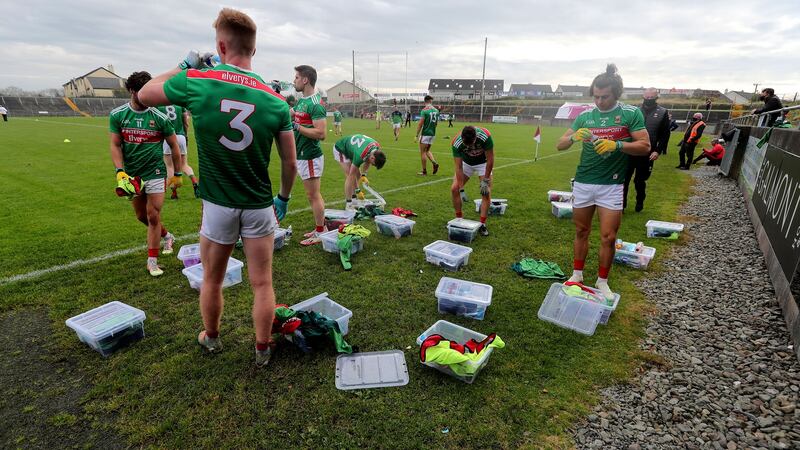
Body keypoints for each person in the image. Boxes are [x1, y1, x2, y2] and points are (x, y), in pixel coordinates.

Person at [138, 8, 298, 367]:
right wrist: (284, 198)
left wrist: (184, 64)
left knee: (212, 279)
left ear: (220, 46)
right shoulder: (275, 100)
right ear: (253, 51)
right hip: (259, 205)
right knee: (262, 283)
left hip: (218, 205)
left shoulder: (197, 79)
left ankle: (211, 338)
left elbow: (145, 93)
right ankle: (261, 348)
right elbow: (289, 162)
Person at [555, 64, 650, 300]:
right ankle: (577, 274)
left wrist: (617, 144)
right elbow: (560, 144)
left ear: (616, 94)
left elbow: (645, 147)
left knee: (608, 236)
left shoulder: (630, 114)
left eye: (604, 97)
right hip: (584, 182)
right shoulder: (586, 116)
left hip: (612, 185)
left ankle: (602, 281)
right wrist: (574, 136)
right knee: (581, 230)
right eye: (596, 96)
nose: (599, 101)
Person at [109, 71, 181, 277]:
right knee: (141, 216)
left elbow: (174, 145)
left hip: (156, 172)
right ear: (132, 91)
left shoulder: (160, 117)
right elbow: (115, 145)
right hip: (133, 176)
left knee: (153, 215)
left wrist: (176, 174)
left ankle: (152, 261)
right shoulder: (118, 115)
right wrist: (120, 172)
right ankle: (167, 236)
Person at [291, 65, 328, 246]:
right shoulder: (301, 101)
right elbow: (290, 113)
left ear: (305, 80)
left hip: (310, 156)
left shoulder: (315, 103)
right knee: (311, 195)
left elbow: (321, 133)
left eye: (297, 77)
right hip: (301, 154)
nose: (294, 80)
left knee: (314, 195)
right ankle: (319, 228)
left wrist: (298, 128)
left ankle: (321, 231)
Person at [626, 88, 670, 212]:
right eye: (647, 97)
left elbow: (665, 134)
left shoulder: (662, 112)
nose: (649, 100)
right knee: (624, 179)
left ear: (656, 98)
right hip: (630, 151)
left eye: (651, 98)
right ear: (643, 96)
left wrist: (657, 150)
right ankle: (621, 205)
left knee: (639, 180)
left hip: (647, 153)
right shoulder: (634, 111)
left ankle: (640, 202)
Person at [450, 125, 494, 236]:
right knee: (454, 189)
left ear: (475, 138)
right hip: (466, 164)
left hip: (483, 163)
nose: (469, 146)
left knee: (486, 192)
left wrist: (486, 180)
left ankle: (482, 224)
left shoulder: (485, 136)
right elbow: (458, 167)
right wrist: (461, 189)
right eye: (466, 145)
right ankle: (459, 219)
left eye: (472, 144)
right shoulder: (457, 142)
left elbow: (490, 159)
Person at [332, 134, 387, 206]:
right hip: (341, 149)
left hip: (353, 149)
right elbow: (352, 175)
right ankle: (348, 203)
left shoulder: (376, 148)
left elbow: (368, 161)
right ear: (373, 158)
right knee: (350, 175)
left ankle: (354, 199)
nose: (372, 165)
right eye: (373, 164)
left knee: (358, 175)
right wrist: (358, 191)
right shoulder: (360, 155)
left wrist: (364, 175)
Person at [159, 104, 199, 198]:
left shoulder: (159, 106)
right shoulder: (179, 106)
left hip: (167, 138)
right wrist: (185, 136)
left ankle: (174, 193)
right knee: (184, 164)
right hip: (181, 137)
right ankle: (195, 182)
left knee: (169, 166)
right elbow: (186, 123)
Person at [415, 95, 440, 175]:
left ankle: (424, 171)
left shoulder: (424, 110)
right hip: (432, 134)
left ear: (424, 101)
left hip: (425, 133)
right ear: (431, 101)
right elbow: (436, 124)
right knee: (427, 150)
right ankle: (434, 163)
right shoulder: (436, 110)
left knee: (422, 152)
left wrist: (416, 135)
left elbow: (420, 124)